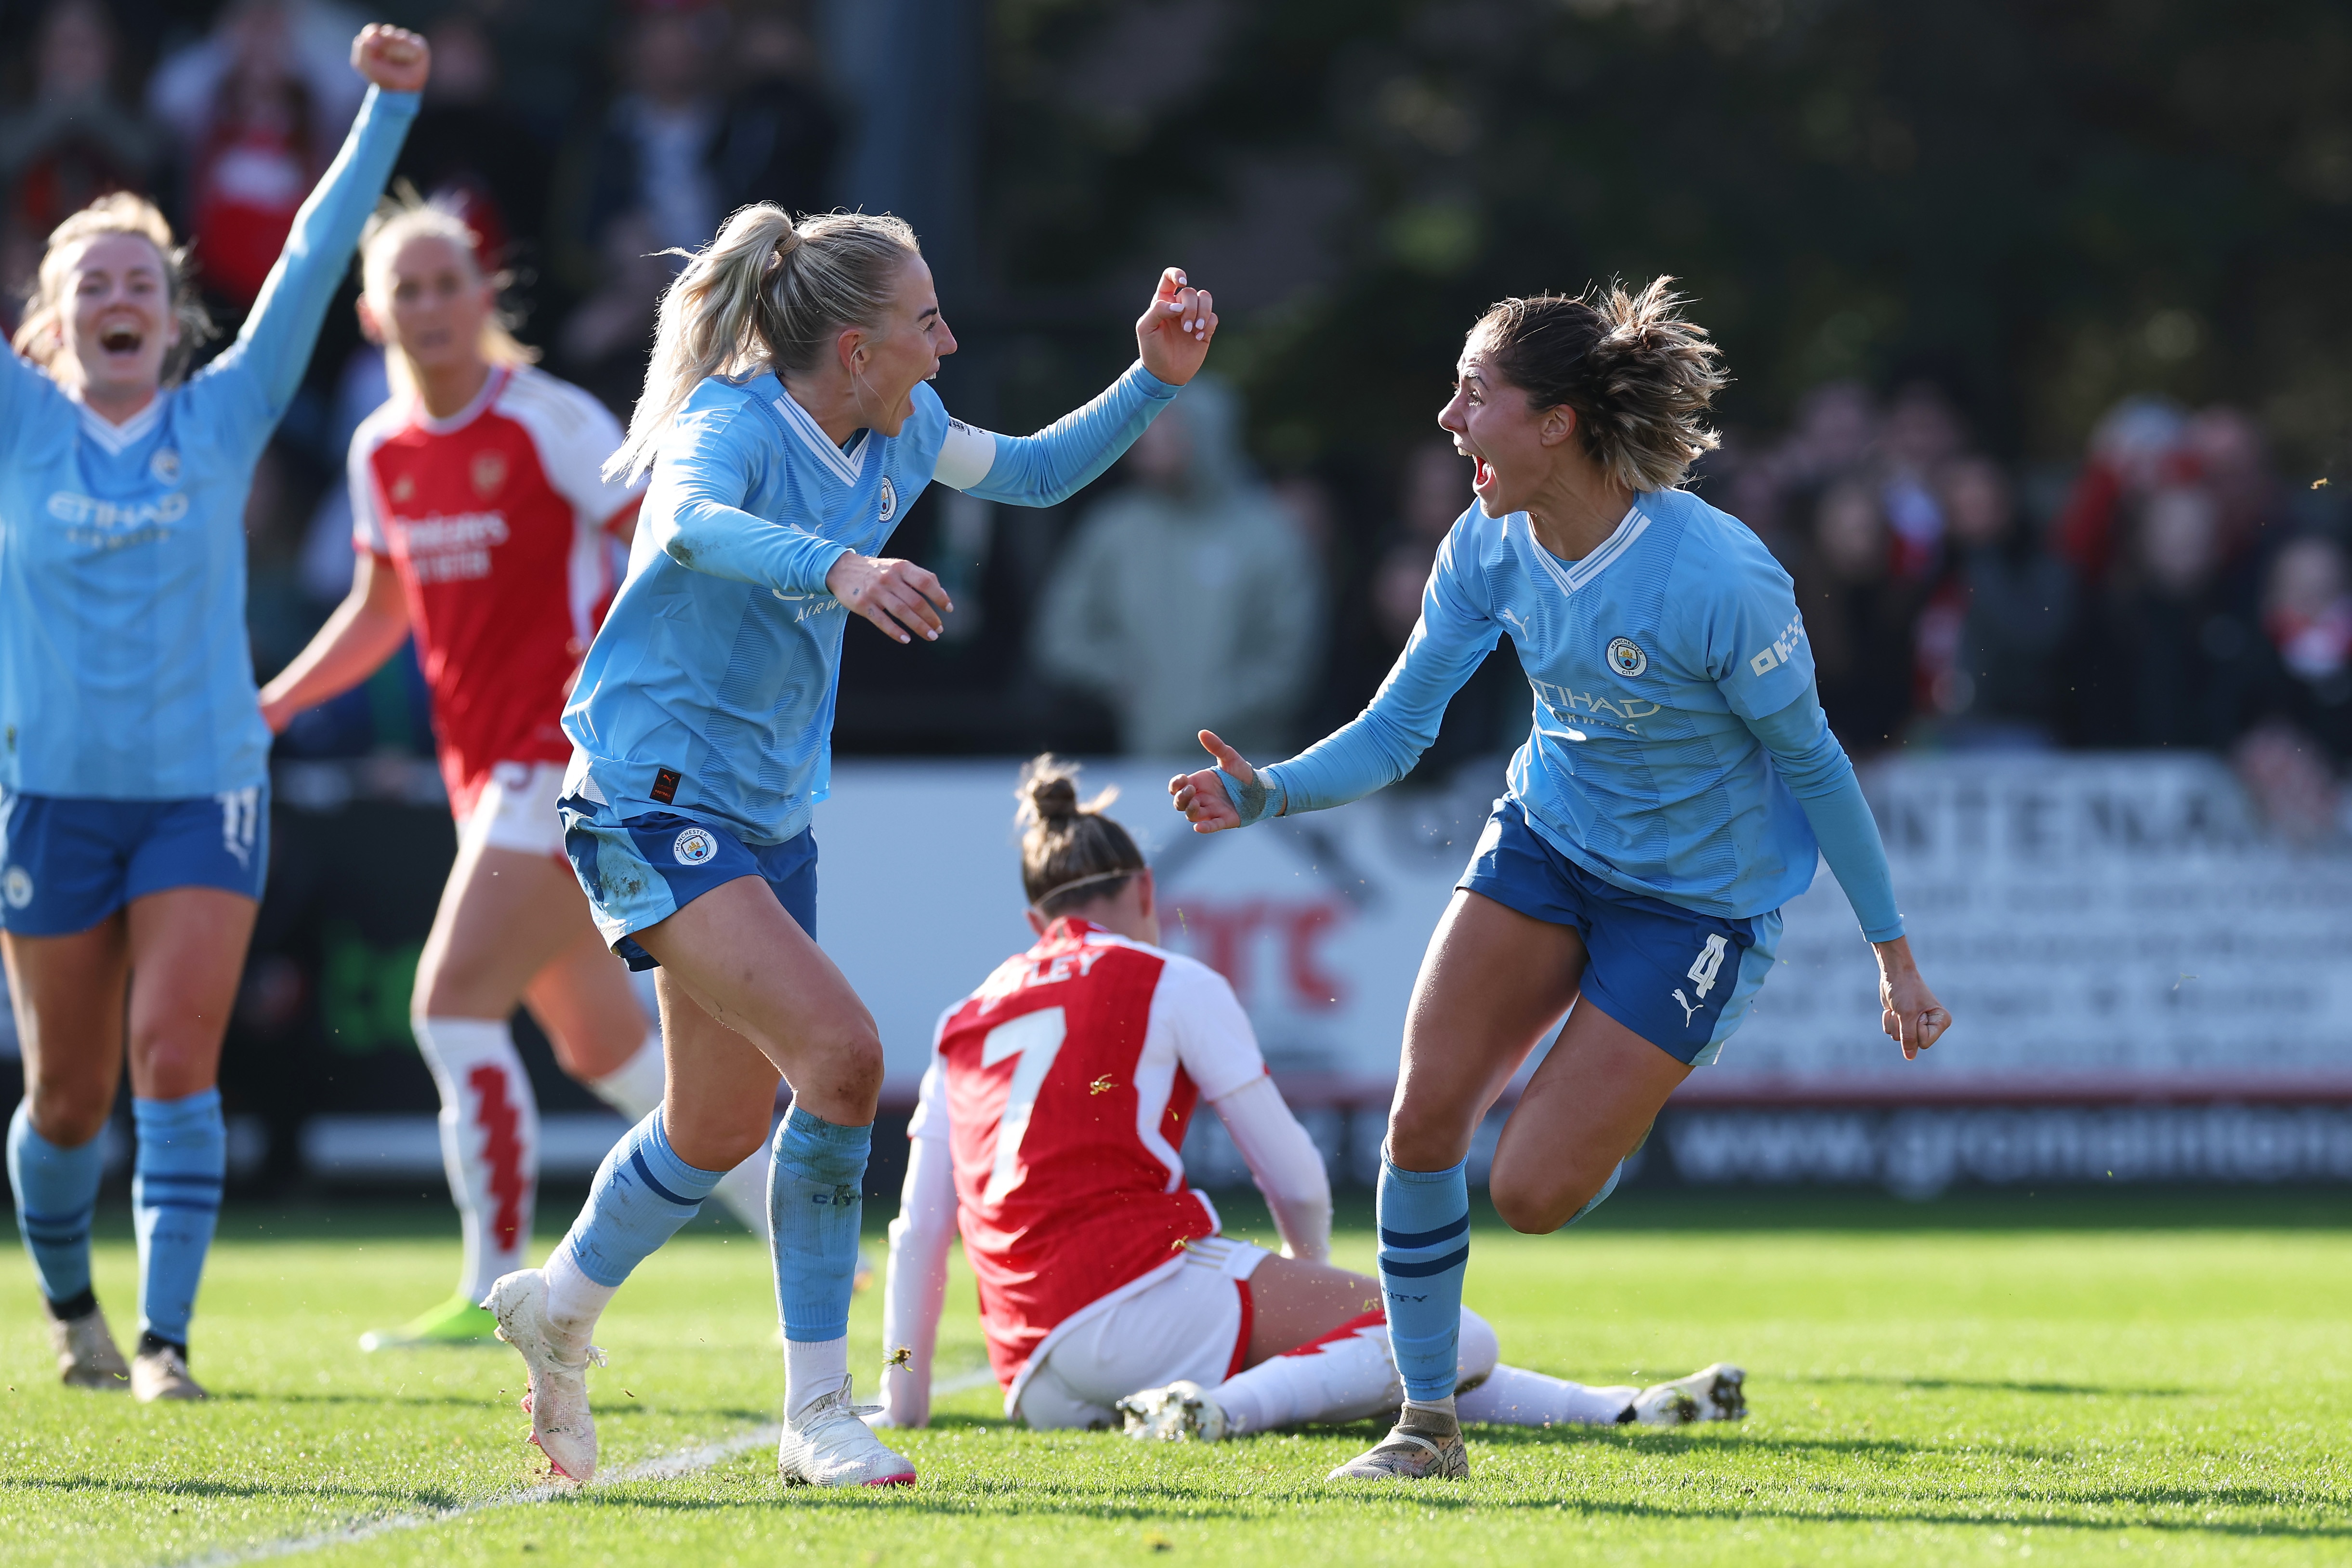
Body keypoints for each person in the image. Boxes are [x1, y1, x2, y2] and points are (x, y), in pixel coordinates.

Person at [479, 202, 1221, 1489]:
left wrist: (1150, 381)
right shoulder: (732, 421)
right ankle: (816, 1409)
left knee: (711, 1126)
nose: (943, 343)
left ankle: (559, 1303)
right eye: (922, 321)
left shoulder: (901, 423)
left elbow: (1035, 470)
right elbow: (698, 526)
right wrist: (839, 569)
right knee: (841, 1056)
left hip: (762, 812)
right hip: (652, 797)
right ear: (856, 349)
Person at [1170, 279, 1951, 1482]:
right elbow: (1396, 732)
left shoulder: (1717, 577)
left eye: (1473, 396)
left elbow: (1816, 762)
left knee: (1531, 1192)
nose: (1447, 421)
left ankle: (1615, 1085)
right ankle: (1424, 1428)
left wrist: (1889, 953)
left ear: (1557, 424)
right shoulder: (1485, 542)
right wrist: (1268, 791)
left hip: (1697, 908)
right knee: (1421, 1121)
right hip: (1545, 844)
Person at [872, 758, 1744, 1443]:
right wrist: (1311, 1277)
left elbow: (917, 1237)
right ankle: (1217, 1413)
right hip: (1146, 1301)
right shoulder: (1168, 978)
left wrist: (903, 1393)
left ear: (1037, 925)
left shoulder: (964, 1018)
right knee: (1438, 1337)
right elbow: (1289, 1170)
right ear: (1144, 892)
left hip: (1036, 1380)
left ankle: (1614, 1409)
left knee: (1378, 1358)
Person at [255, 199, 772, 1354]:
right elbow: (384, 604)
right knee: (608, 1051)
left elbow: (671, 533)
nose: (432, 307)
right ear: (375, 313)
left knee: (448, 1006)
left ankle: (494, 1285)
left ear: (487, 298)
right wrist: (277, 702)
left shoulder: (547, 420)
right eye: (411, 289)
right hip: (483, 775)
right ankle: (810, 1231)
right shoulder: (379, 448)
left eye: (452, 284)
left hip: (570, 760)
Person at [0, 24, 428, 1403]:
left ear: (170, 313)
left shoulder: (224, 413)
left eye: (142, 278)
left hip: (204, 786)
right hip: (51, 794)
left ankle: (167, 1341)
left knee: (174, 1055)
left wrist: (382, 111)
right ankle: (71, 1302)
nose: (119, 295)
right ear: (54, 321)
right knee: (67, 1096)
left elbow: (313, 249)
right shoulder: (19, 422)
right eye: (91, 283)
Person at [1030, 378, 1325, 758]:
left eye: (1164, 420)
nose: (1147, 436)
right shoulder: (1114, 529)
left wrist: (1205, 713)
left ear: (1205, 430)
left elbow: (1290, 661)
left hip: (1252, 770)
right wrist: (1125, 678)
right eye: (1143, 420)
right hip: (1139, 766)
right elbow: (1060, 635)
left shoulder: (1270, 534)